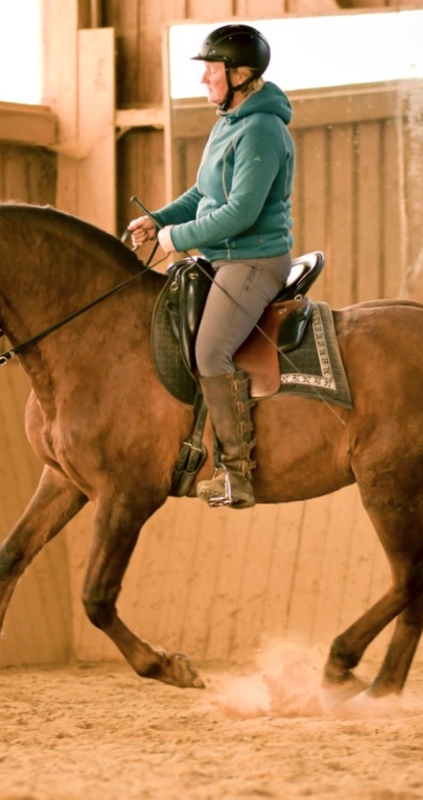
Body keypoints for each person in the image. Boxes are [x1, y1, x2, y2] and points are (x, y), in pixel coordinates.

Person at [129, 23, 295, 510]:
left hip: (255, 260)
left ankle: (238, 473)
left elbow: (242, 211)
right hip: (222, 257)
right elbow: (204, 194)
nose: (203, 79)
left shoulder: (262, 129)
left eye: (210, 70)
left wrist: (176, 238)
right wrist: (159, 219)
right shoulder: (229, 121)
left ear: (239, 74)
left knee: (210, 353)